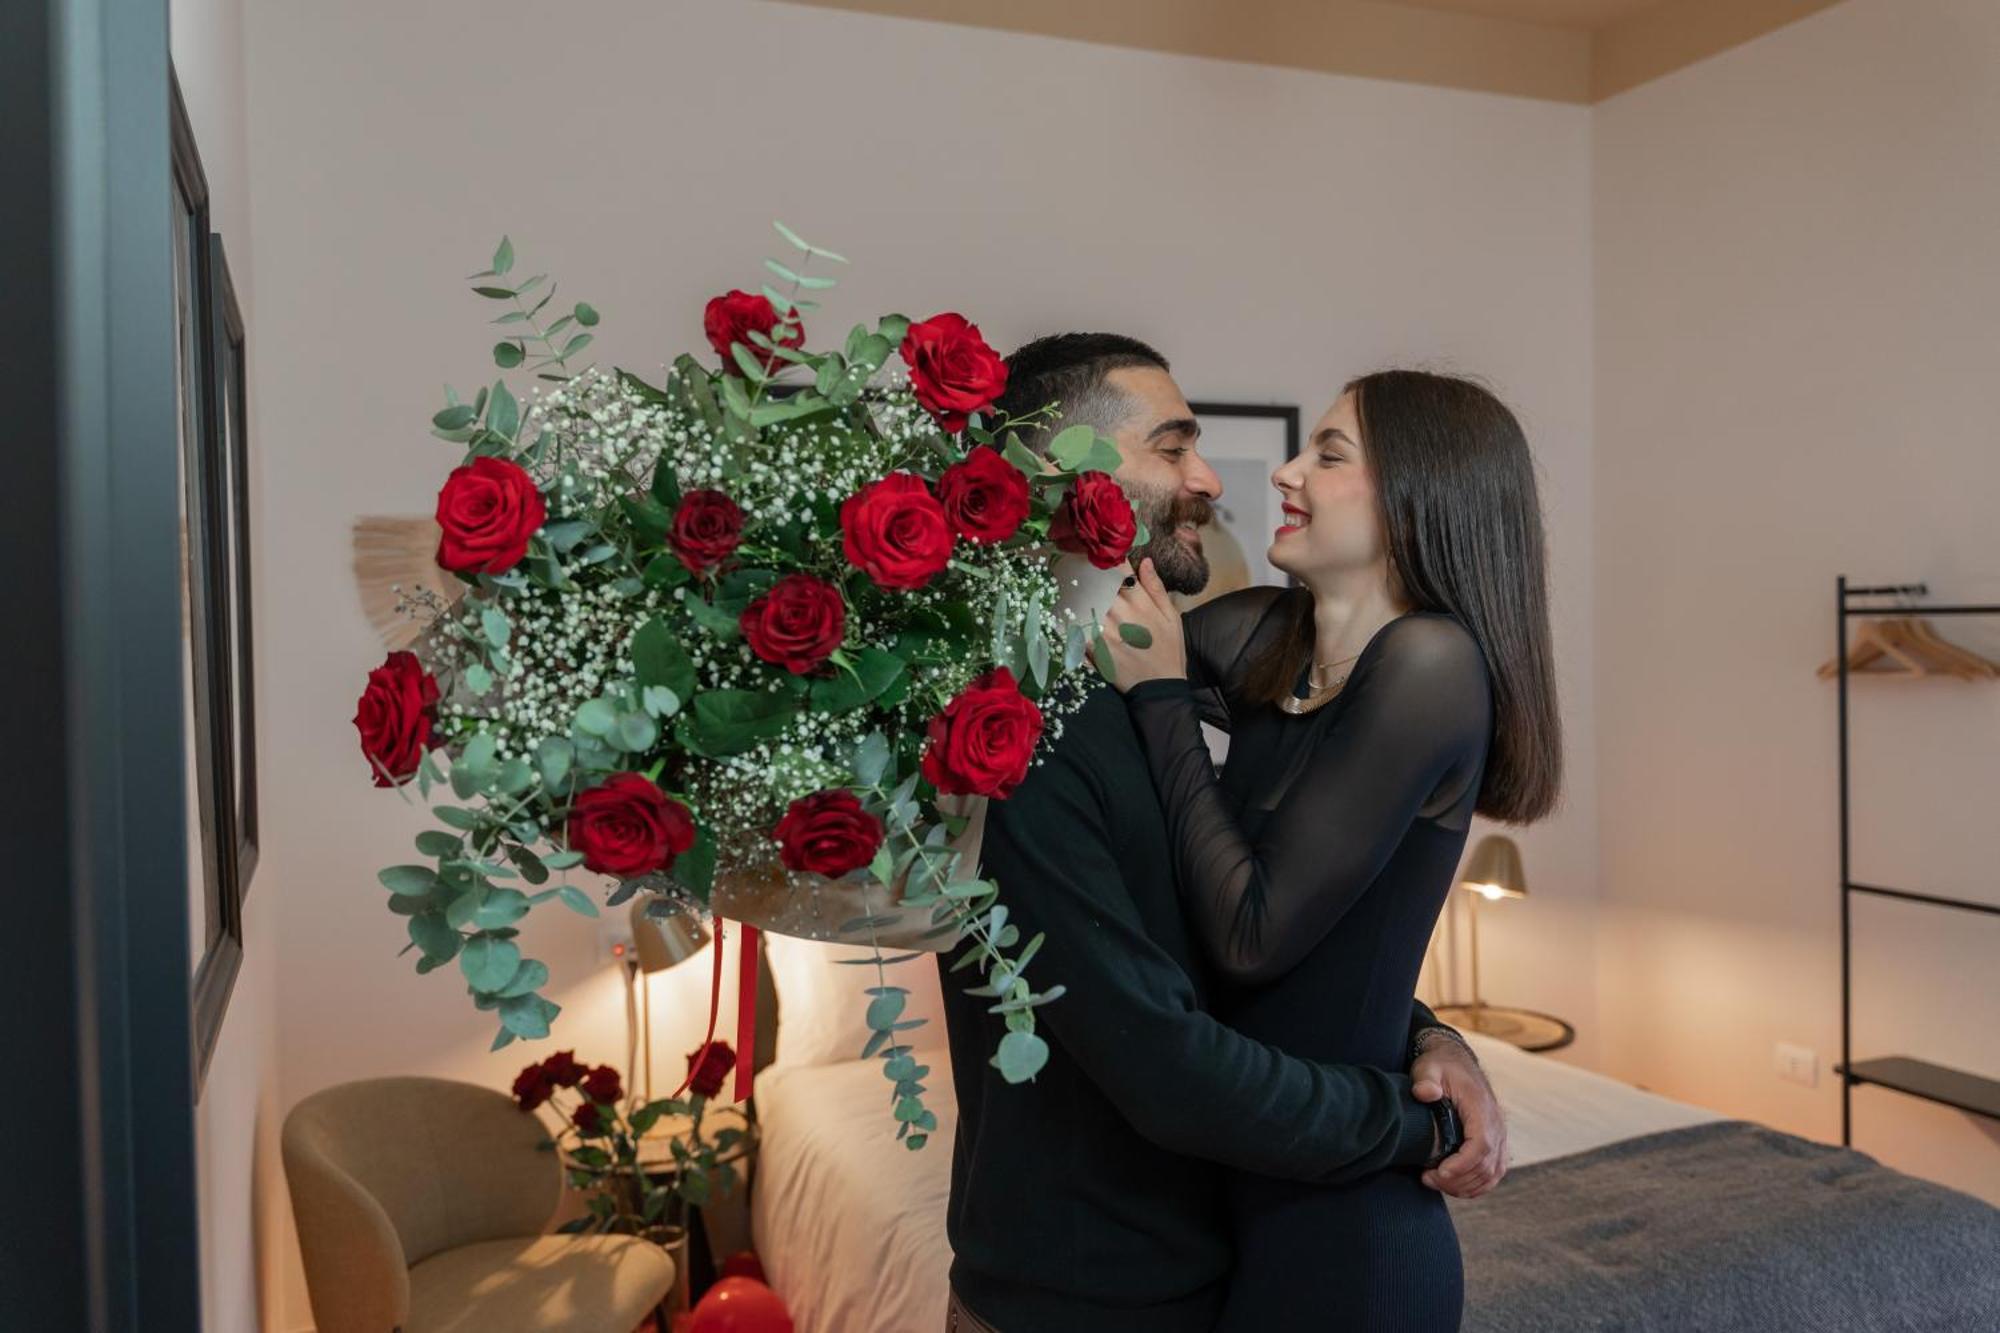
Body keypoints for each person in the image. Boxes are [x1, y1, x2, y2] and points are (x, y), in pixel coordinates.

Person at [938, 338, 1508, 1333]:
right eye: (1172, 447)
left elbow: (1248, 922)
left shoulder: (1358, 668)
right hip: (1087, 1294)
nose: (1222, 480)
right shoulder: (1020, 732)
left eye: (1326, 454)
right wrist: (1412, 1120)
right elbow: (1179, 1043)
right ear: (1062, 480)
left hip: (1258, 1248)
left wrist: (1424, 1030)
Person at [1101, 369, 1562, 1330]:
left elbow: (1253, 934)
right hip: (1232, 1206)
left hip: (1348, 1235)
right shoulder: (1275, 638)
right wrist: (1433, 1031)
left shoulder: (1434, 666)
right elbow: (1100, 635)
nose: (1286, 471)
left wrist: (1160, 701)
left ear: (1416, 496)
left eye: (1330, 453)